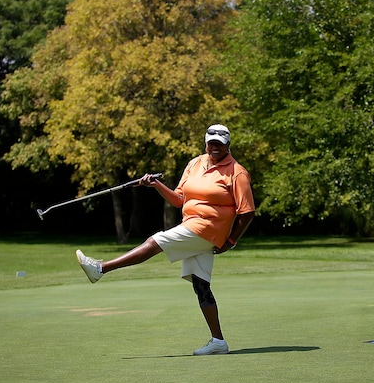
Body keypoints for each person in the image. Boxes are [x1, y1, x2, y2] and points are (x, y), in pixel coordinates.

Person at [75, 124, 255, 356]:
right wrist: (156, 185)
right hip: (191, 225)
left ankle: (100, 268)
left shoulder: (237, 172)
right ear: (205, 142)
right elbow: (179, 199)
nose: (214, 147)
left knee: (156, 241)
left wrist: (231, 241)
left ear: (228, 145)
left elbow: (247, 211)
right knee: (201, 286)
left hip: (208, 229)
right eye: (211, 143)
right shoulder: (195, 163)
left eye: (219, 144)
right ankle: (218, 341)